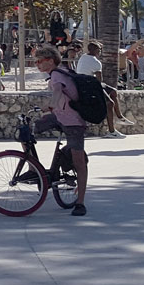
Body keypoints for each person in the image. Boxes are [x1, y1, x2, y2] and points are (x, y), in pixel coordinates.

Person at [35, 46, 89, 216]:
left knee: (78, 161)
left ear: (50, 61)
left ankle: (80, 202)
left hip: (73, 121)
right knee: (27, 127)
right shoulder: (62, 72)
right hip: (59, 116)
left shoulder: (57, 75)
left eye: (39, 61)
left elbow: (58, 92)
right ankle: (33, 168)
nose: (37, 65)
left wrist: (50, 106)